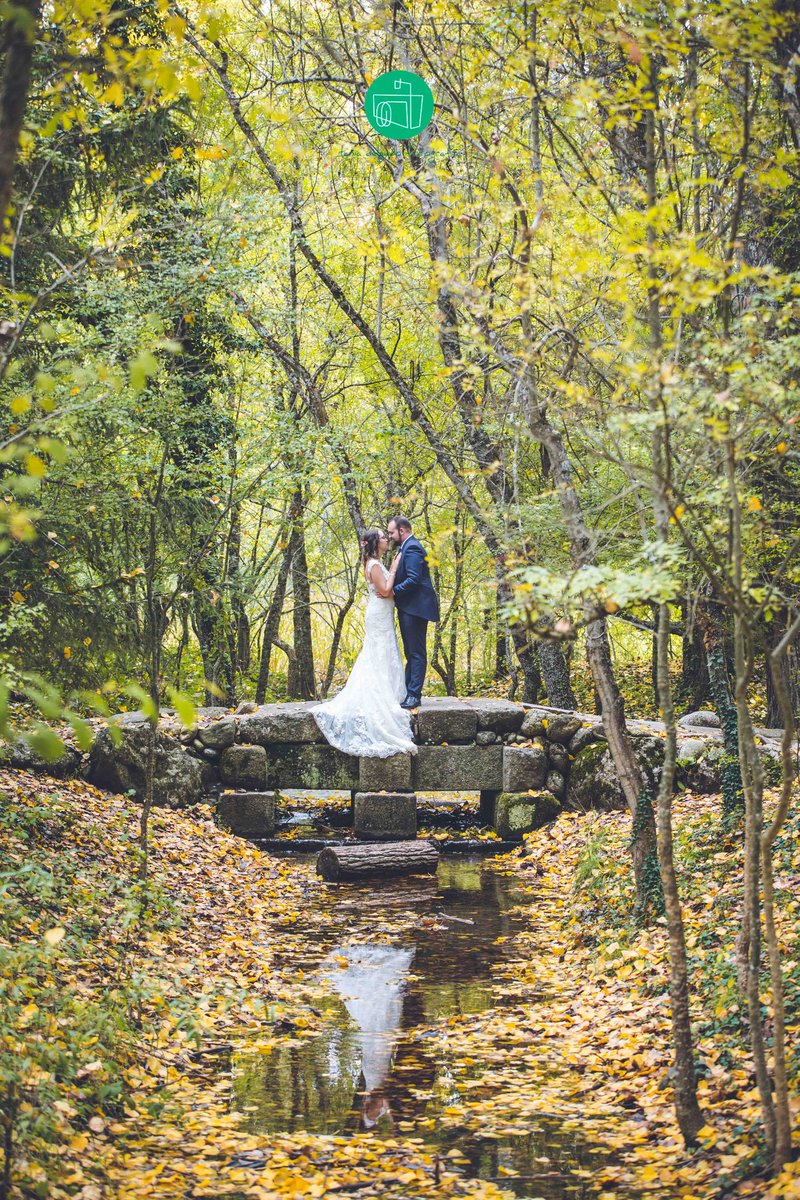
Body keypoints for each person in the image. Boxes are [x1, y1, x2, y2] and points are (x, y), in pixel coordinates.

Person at [310, 528, 417, 757]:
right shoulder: (374, 566)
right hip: (378, 615)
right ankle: (380, 694)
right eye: (382, 537)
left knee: (384, 651)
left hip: (382, 614)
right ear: (374, 543)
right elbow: (386, 591)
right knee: (377, 652)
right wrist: (396, 568)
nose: (386, 540)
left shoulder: (374, 562)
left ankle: (389, 691)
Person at [387, 516, 440, 710]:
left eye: (392, 532)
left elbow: (414, 579)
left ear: (402, 531)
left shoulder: (413, 548)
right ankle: (408, 692)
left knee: (416, 652)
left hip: (415, 608)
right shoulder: (405, 548)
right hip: (409, 607)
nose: (390, 536)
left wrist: (393, 591)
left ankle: (414, 696)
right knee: (411, 651)